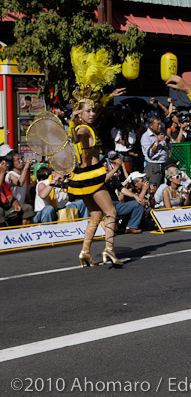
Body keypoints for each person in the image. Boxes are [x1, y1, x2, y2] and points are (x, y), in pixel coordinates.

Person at [66, 46, 126, 267]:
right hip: (92, 177)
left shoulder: (87, 123)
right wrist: (72, 122)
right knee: (110, 212)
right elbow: (74, 137)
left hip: (81, 177)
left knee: (95, 215)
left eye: (93, 110)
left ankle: (85, 252)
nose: (93, 113)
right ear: (79, 113)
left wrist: (109, 96)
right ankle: (109, 249)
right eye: (87, 111)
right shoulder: (82, 129)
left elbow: (96, 109)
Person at [141, 115, 171, 186]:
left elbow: (169, 147)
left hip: (163, 165)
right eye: (158, 124)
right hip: (153, 166)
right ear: (151, 125)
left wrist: (167, 141)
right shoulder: (146, 136)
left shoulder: (162, 134)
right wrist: (157, 141)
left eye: (161, 124)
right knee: (153, 189)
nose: (160, 126)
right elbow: (150, 153)